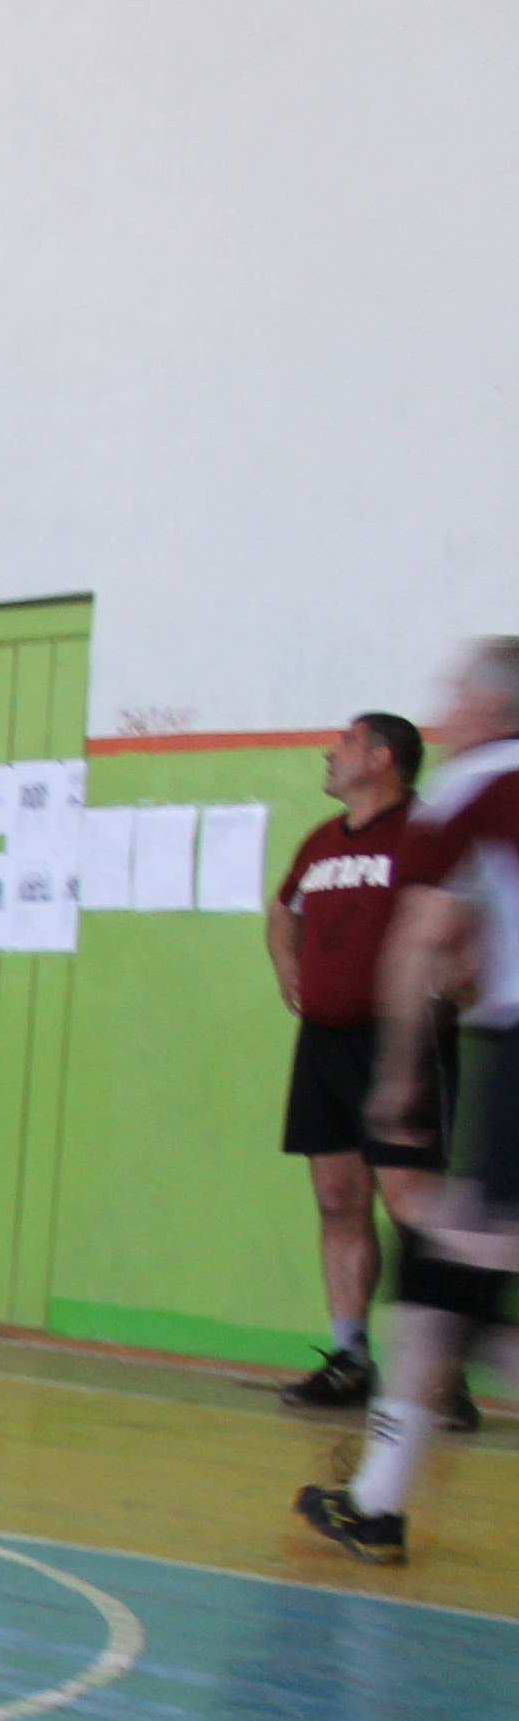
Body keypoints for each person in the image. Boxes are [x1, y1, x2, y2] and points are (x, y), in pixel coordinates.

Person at [298, 640, 519, 1564]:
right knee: (452, 1287)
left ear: (492, 708)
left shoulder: (472, 787)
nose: (447, 712)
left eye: (456, 696)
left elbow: (424, 938)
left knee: (444, 1291)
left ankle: (380, 1505)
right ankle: (376, 1505)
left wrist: (396, 1079)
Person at [267, 712, 469, 1422]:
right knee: (337, 1199)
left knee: (414, 1205)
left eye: (347, 743)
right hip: (323, 1044)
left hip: (401, 1043)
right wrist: (286, 961)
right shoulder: (321, 842)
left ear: (382, 757)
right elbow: (282, 910)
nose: (331, 752)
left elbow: (472, 920)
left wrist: (458, 983)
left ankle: (443, 1378)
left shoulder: (427, 834)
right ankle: (351, 1358)